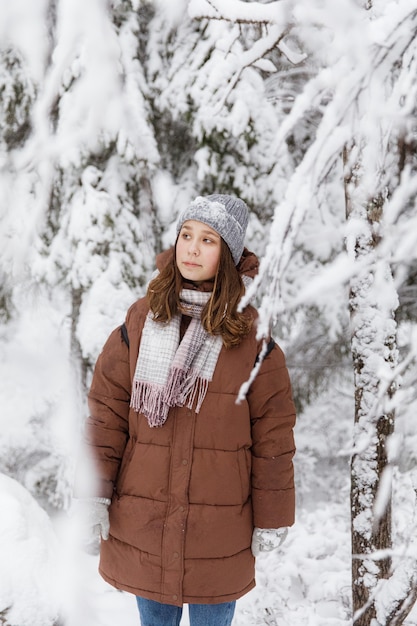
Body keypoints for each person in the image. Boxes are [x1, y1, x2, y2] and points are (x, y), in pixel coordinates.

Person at [79, 194, 296, 626]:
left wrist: (272, 519)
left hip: (218, 530)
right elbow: (105, 420)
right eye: (186, 235)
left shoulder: (254, 342)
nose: (192, 249)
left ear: (229, 256)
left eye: (208, 240)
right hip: (146, 523)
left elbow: (274, 439)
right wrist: (92, 496)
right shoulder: (139, 324)